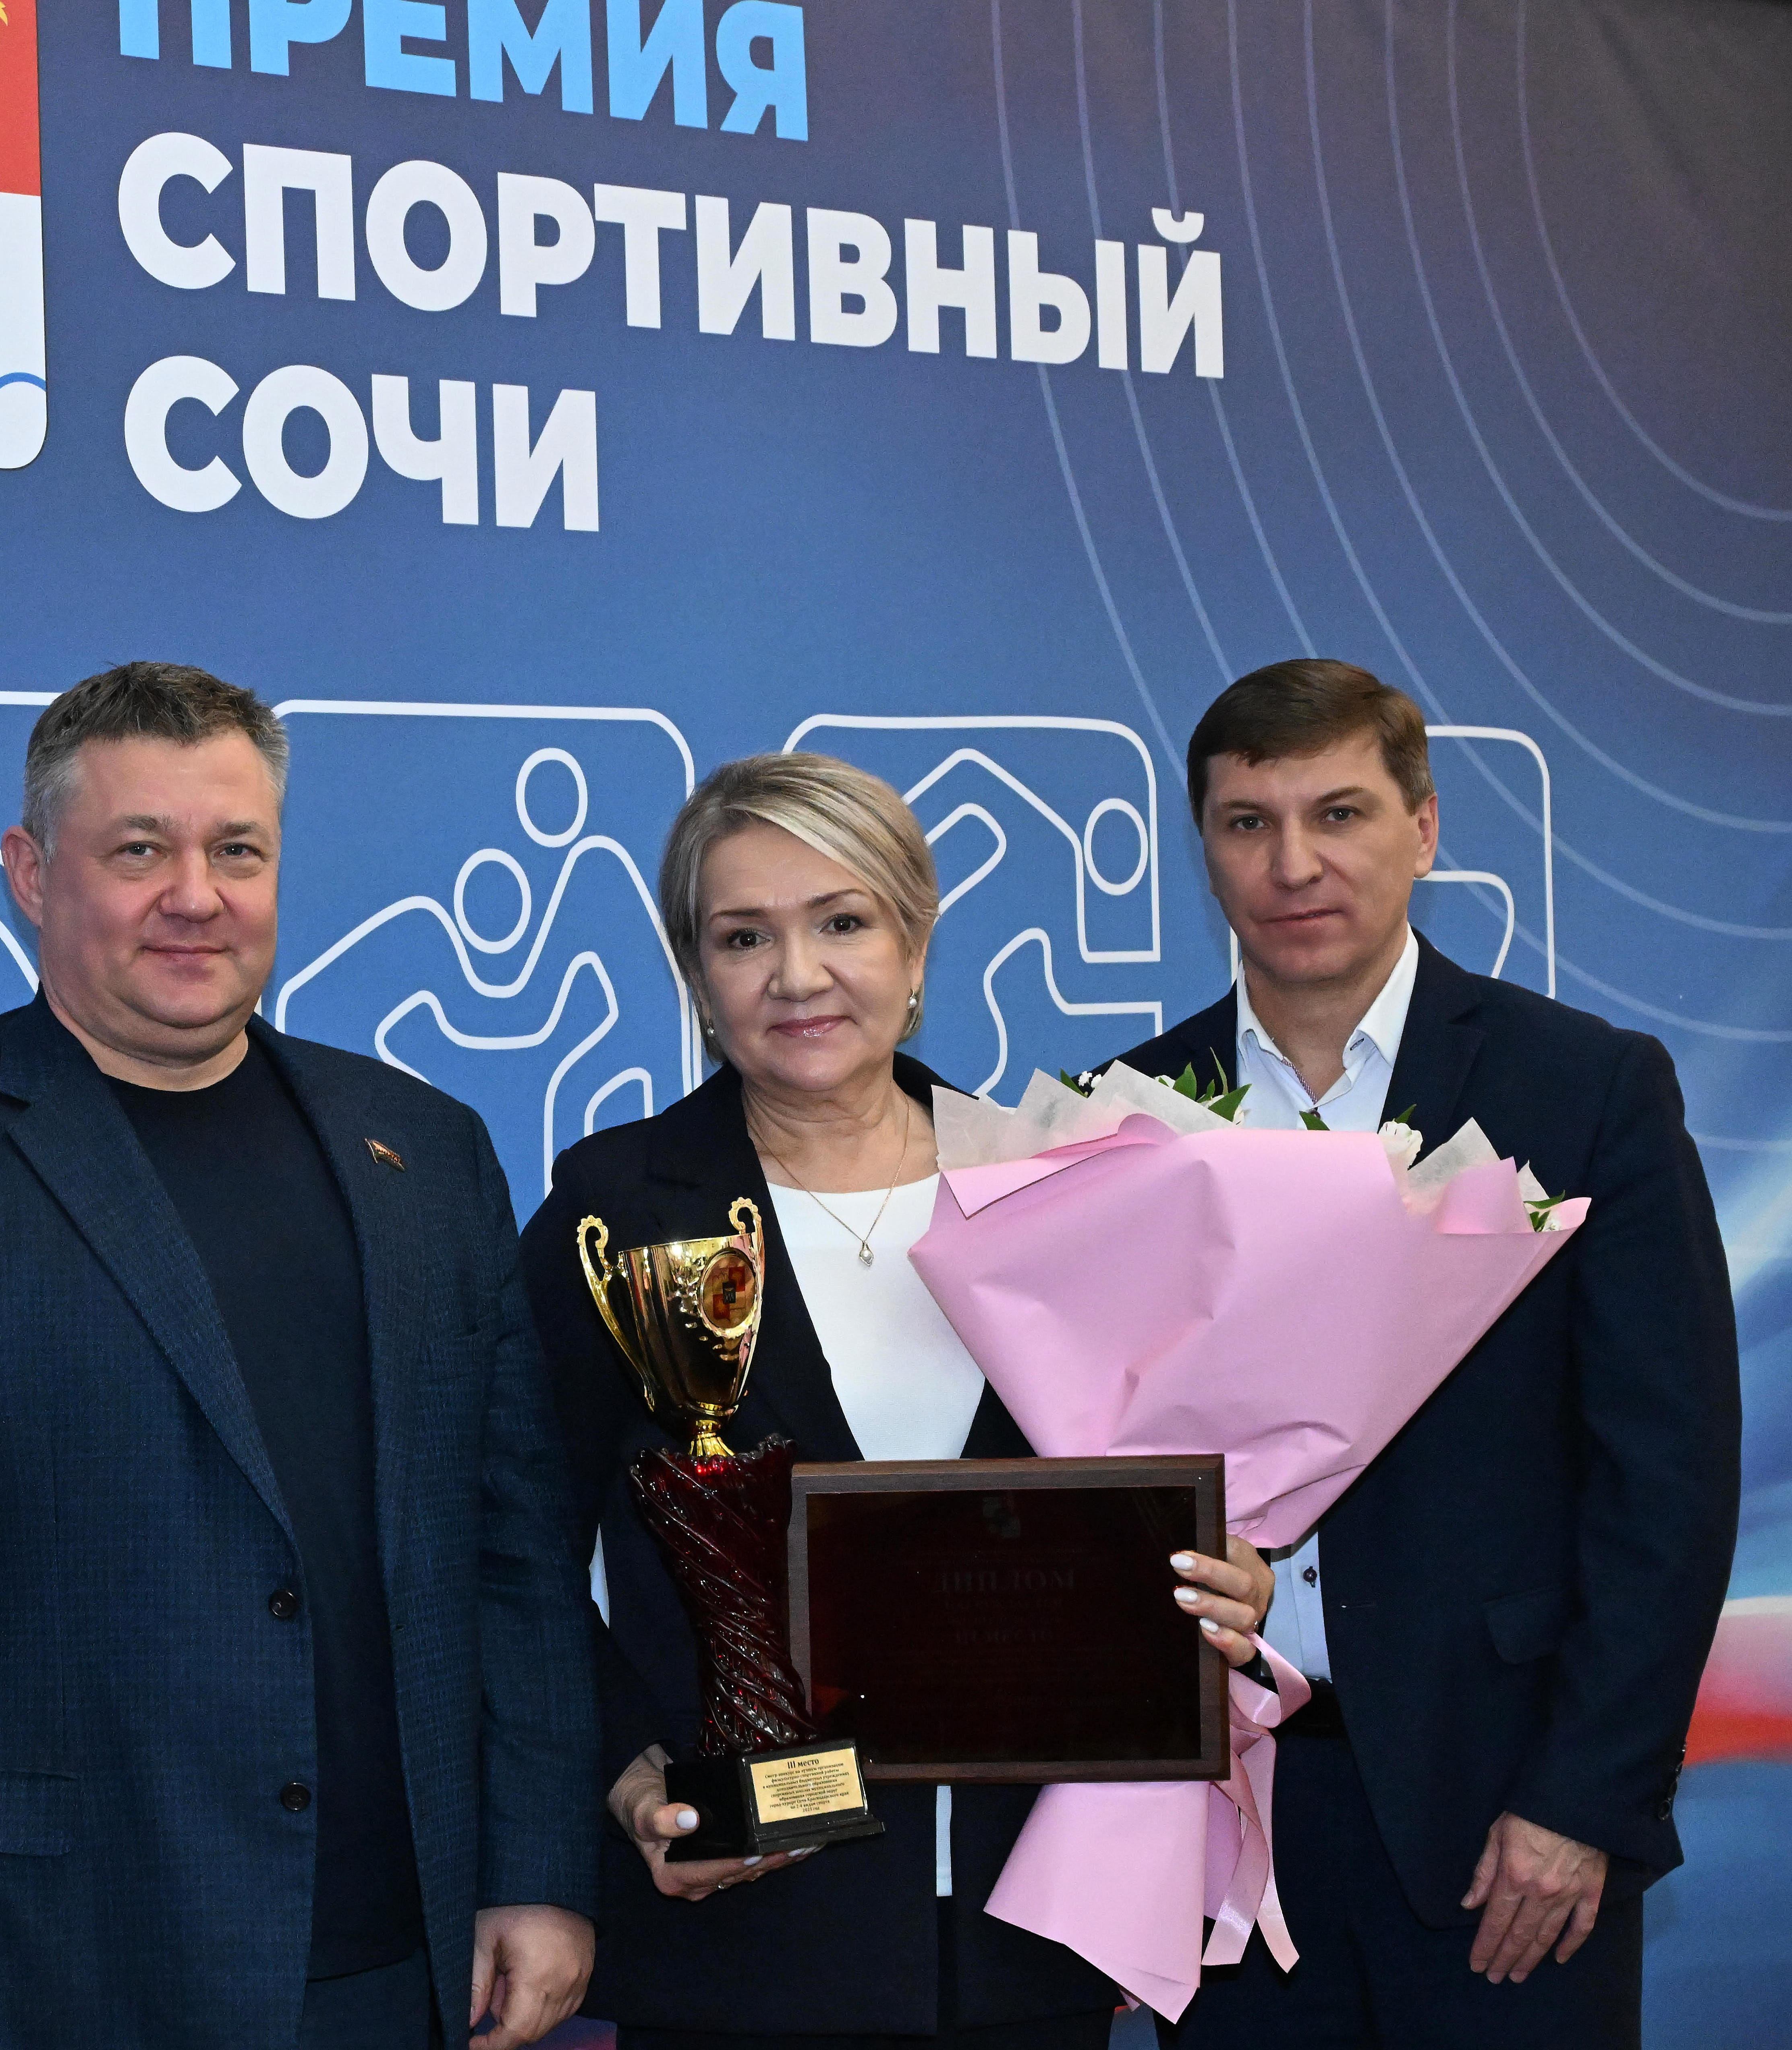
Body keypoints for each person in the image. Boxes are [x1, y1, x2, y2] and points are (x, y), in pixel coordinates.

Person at [0, 662, 601, 2050]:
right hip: (44, 1972)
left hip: (398, 1972)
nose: (196, 895)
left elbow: (514, 1557)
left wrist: (534, 1867)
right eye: (139, 851)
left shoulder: (425, 1153)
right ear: (30, 873)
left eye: (236, 850)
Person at [520, 753, 1273, 2049]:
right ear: (694, 972)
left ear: (915, 944)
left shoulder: (1063, 1179)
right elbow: (511, 1549)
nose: (796, 975)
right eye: (742, 936)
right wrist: (627, 1766)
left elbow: (1132, 1507)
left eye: (842, 921)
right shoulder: (617, 1210)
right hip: (748, 1928)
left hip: (1027, 1931)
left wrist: (1218, 1582)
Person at [1113, 660, 1739, 2048]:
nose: (1292, 863)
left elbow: (1668, 1480)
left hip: (1505, 1818)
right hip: (1229, 1835)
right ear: (1202, 848)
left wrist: (1583, 1799)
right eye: (1246, 823)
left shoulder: (1581, 1090)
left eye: (1337, 813)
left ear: (1424, 828)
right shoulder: (1125, 1110)